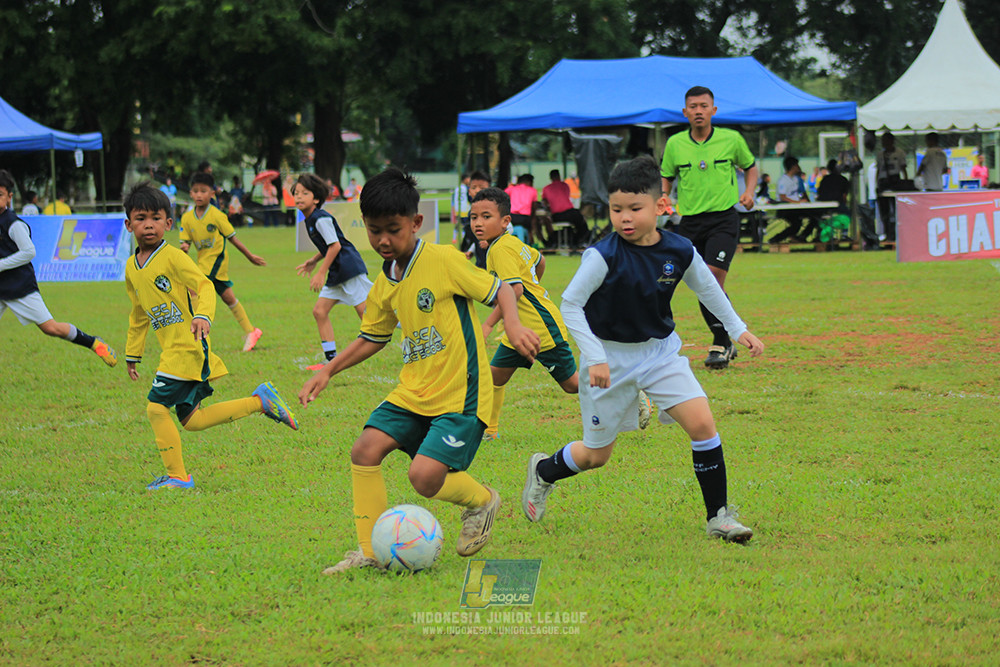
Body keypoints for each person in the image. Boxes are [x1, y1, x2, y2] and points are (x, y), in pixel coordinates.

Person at [297, 168, 541, 574]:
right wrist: (329, 370)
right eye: (374, 231)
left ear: (416, 223)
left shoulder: (442, 260)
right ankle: (371, 553)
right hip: (414, 391)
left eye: (393, 230)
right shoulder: (385, 279)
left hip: (459, 393)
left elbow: (498, 288)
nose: (383, 241)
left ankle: (482, 500)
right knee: (365, 449)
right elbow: (372, 336)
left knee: (424, 478)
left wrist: (512, 326)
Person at [520, 156, 764, 543]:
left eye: (635, 209)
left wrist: (737, 329)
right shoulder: (602, 256)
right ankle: (544, 471)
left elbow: (707, 288)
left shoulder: (679, 249)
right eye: (617, 210)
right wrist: (596, 357)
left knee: (702, 425)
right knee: (595, 456)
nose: (624, 218)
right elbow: (570, 305)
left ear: (660, 206)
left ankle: (719, 517)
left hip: (659, 353)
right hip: (609, 360)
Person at [122, 183, 298, 491]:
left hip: (187, 347)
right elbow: (138, 313)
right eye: (140, 218)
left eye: (155, 217)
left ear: (168, 224)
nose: (147, 224)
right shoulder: (131, 267)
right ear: (128, 224)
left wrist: (203, 315)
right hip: (172, 350)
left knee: (155, 408)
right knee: (193, 421)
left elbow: (203, 285)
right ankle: (260, 401)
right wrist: (133, 353)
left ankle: (178, 478)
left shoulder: (173, 257)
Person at [470, 187, 580, 441]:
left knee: (572, 385)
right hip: (518, 327)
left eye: (486, 217)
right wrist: (534, 290)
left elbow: (515, 290)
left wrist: (487, 325)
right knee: (494, 376)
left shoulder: (499, 249)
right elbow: (539, 260)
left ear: (505, 220)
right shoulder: (508, 242)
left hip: (539, 328)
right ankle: (489, 430)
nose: (478, 223)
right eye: (474, 217)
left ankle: (627, 389)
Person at [660, 85, 758, 370]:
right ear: (685, 112)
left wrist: (749, 192)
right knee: (696, 281)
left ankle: (721, 341)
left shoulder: (731, 139)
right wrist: (663, 196)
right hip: (689, 223)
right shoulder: (675, 144)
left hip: (723, 219)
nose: (699, 111)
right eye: (693, 106)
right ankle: (725, 337)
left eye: (704, 106)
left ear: (713, 110)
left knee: (711, 278)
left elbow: (750, 167)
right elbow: (666, 176)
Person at [0, 170, 117, 367]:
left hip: (20, 287)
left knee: (51, 328)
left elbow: (29, 252)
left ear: (10, 197)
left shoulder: (13, 224)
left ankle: (94, 343)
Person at [293, 173, 372, 372]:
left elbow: (335, 246)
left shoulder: (320, 219)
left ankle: (412, 329)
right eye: (296, 193)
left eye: (305, 193)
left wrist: (320, 272)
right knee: (319, 311)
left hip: (348, 268)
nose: (298, 197)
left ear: (316, 199)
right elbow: (327, 246)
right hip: (338, 272)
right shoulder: (310, 220)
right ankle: (331, 360)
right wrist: (313, 260)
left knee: (370, 319)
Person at [178, 172, 265, 352]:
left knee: (193, 289)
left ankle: (196, 337)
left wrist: (250, 256)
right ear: (191, 194)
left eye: (204, 191)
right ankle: (251, 331)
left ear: (212, 193)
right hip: (203, 263)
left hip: (216, 263)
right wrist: (184, 247)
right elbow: (184, 242)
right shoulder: (187, 219)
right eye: (195, 191)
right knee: (228, 298)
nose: (199, 195)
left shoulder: (217, 216)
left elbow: (233, 239)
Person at [769, 156, 812, 244]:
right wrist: (797, 202)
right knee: (796, 224)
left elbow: (803, 193)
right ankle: (775, 240)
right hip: (786, 209)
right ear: (793, 167)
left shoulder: (796, 179)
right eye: (797, 165)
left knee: (815, 217)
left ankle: (802, 236)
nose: (799, 167)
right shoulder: (783, 180)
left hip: (797, 208)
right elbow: (782, 197)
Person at [542, 169, 589, 246]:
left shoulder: (546, 189)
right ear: (559, 176)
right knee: (581, 221)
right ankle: (583, 239)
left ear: (550, 177)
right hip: (568, 212)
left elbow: (545, 202)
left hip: (556, 215)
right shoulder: (564, 185)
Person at [876, 132, 908, 242]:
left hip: (895, 180)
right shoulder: (880, 155)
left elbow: (903, 169)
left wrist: (905, 182)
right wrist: (877, 184)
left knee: (896, 209)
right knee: (884, 211)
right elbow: (879, 170)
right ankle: (887, 233)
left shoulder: (899, 153)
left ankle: (898, 233)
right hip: (883, 182)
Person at [505, 174, 540, 246]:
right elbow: (534, 206)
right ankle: (530, 242)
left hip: (512, 217)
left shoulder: (511, 189)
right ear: (529, 182)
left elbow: (502, 197)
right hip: (525, 218)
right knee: (532, 224)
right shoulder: (532, 190)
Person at [450, 173, 471, 247]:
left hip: (457, 210)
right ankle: (464, 240)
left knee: (458, 224)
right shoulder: (466, 188)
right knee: (465, 225)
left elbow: (453, 199)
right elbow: (470, 198)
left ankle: (454, 238)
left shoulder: (457, 188)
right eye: (469, 179)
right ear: (465, 179)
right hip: (465, 209)